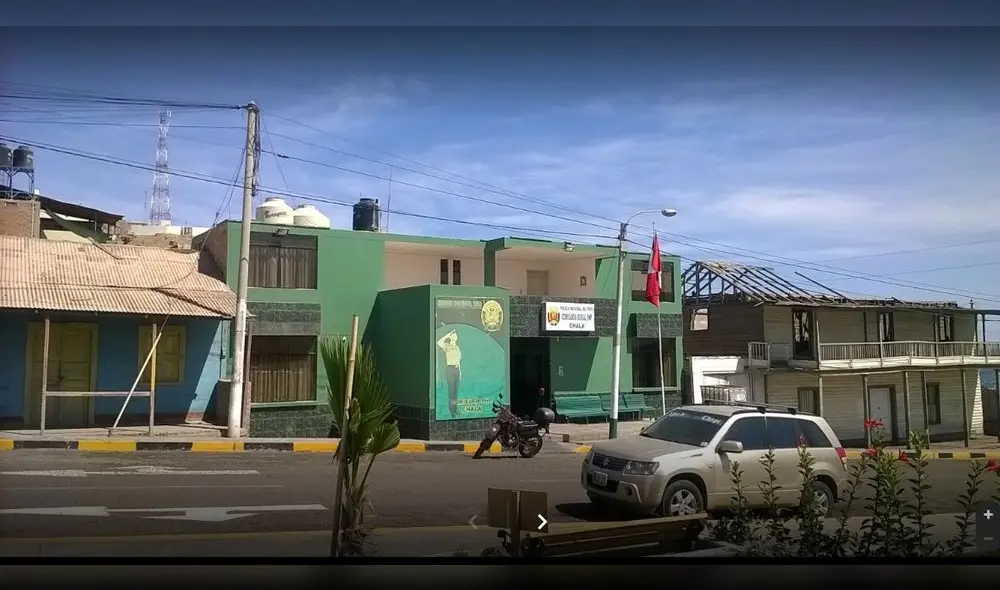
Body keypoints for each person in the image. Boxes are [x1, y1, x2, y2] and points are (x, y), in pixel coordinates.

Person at [437, 330, 462, 417]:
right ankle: (451, 411)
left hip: (456, 370)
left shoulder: (457, 348)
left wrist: (460, 372)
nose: (455, 336)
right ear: (451, 337)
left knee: (455, 393)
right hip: (450, 370)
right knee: (451, 392)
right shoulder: (447, 346)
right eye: (453, 335)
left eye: (456, 334)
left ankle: (455, 409)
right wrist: (448, 334)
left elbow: (459, 362)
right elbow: (439, 342)